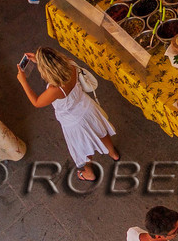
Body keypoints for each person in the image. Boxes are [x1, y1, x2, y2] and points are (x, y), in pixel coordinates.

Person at [17, 46, 118, 182]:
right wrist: (39, 60)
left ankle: (88, 173)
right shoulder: (70, 64)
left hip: (74, 122)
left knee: (82, 149)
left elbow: (37, 102)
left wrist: (23, 81)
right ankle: (113, 153)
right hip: (87, 108)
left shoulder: (55, 89)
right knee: (101, 131)